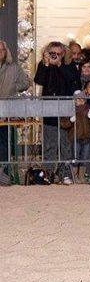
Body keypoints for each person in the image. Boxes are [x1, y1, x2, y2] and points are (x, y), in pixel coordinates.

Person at [34, 41, 80, 184]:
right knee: (49, 145)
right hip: (49, 111)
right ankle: (48, 175)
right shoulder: (44, 64)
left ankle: (65, 174)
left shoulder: (69, 65)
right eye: (52, 53)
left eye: (58, 53)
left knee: (65, 146)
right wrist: (46, 64)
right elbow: (39, 80)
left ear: (63, 53)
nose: (55, 56)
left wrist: (59, 64)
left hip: (64, 112)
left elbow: (72, 79)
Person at [0, 40, 29, 184]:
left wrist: (13, 87)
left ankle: (4, 173)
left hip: (7, 111)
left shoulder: (14, 67)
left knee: (5, 143)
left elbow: (25, 83)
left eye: (2, 50)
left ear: (6, 52)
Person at [60, 89, 90, 183]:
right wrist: (70, 121)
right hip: (75, 138)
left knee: (84, 157)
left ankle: (81, 176)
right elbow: (63, 124)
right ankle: (74, 176)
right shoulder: (70, 110)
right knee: (75, 157)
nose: (79, 101)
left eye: (81, 99)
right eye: (77, 99)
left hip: (86, 137)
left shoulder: (88, 109)